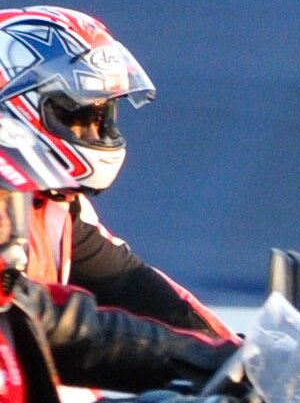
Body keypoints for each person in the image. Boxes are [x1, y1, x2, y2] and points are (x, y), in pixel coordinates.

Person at [0, 6, 230, 341]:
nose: (93, 133)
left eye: (100, 117)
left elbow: (131, 284)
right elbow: (60, 328)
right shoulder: (15, 210)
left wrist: (237, 352)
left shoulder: (51, 206)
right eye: (77, 116)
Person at [0, 133, 238, 403]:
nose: (5, 220)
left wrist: (221, 359)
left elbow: (85, 333)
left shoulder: (12, 295)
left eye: (6, 202)